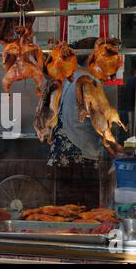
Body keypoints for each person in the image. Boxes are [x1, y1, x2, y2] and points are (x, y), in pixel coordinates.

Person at [47, 37, 117, 208]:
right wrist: (113, 145)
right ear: (92, 57)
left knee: (64, 208)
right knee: (85, 208)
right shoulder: (89, 80)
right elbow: (98, 120)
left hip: (61, 151)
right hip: (80, 152)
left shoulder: (70, 79)